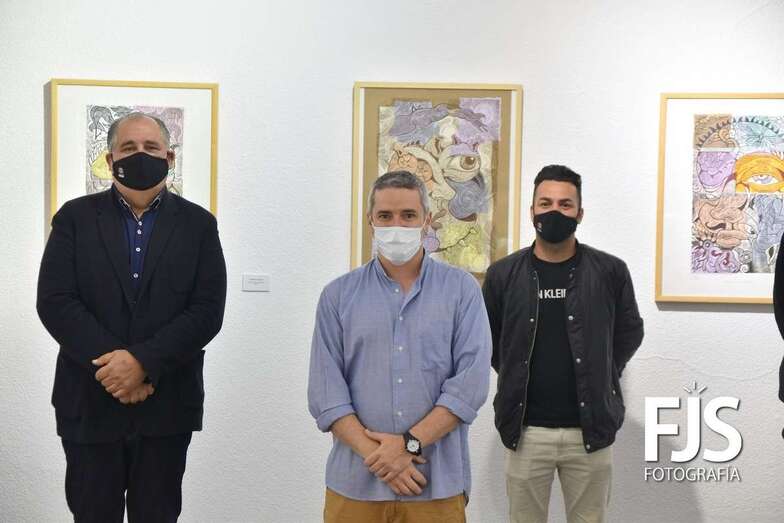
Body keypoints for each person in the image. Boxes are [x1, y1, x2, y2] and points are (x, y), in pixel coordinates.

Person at [37, 112, 227, 522]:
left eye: (151, 147)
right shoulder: (74, 218)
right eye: (128, 148)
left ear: (169, 157)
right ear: (110, 160)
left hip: (167, 404)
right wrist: (116, 367)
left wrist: (142, 363)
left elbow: (207, 311)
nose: (140, 155)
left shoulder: (199, 225)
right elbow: (55, 301)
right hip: (89, 402)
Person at [307, 170, 491, 522]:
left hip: (435, 486)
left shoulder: (462, 291)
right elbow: (326, 393)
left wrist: (408, 445)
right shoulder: (337, 296)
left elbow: (470, 386)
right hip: (355, 486)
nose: (397, 225)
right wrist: (382, 458)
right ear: (370, 221)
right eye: (385, 216)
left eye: (408, 215)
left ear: (426, 220)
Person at [482, 165, 644, 523]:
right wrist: (514, 370)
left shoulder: (610, 271)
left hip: (590, 430)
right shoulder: (502, 275)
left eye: (565, 205)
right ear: (532, 211)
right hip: (525, 431)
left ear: (580, 213)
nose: (554, 212)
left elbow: (630, 332)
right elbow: (490, 341)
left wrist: (602, 369)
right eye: (546, 203)